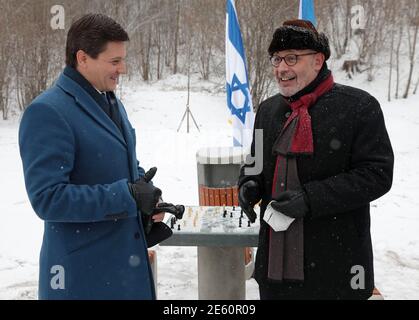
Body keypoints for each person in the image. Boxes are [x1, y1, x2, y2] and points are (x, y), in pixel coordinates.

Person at [19, 14, 180, 300]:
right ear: (83, 58)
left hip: (124, 270)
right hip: (84, 276)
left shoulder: (108, 98)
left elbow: (119, 165)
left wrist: (145, 198)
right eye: (114, 61)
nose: (123, 69)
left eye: (123, 59)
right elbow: (48, 198)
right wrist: (127, 196)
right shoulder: (48, 112)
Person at [238, 19, 394, 300]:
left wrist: (310, 199)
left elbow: (377, 175)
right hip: (274, 270)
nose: (281, 68)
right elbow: (255, 161)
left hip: (338, 268)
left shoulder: (359, 107)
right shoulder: (267, 109)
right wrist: (248, 184)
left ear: (318, 60)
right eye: (276, 59)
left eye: (292, 58)